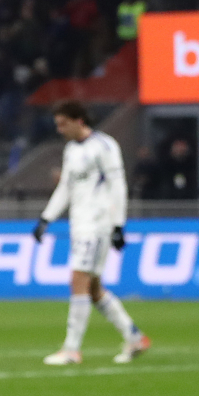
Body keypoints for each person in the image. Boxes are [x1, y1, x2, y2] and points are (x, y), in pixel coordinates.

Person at [34, 101, 150, 365]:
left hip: (97, 224)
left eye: (63, 123)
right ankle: (135, 337)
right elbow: (65, 187)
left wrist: (119, 224)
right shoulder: (71, 150)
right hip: (79, 224)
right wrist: (46, 218)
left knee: (78, 280)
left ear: (79, 120)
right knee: (94, 289)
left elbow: (118, 185)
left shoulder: (104, 146)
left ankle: (72, 349)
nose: (60, 130)